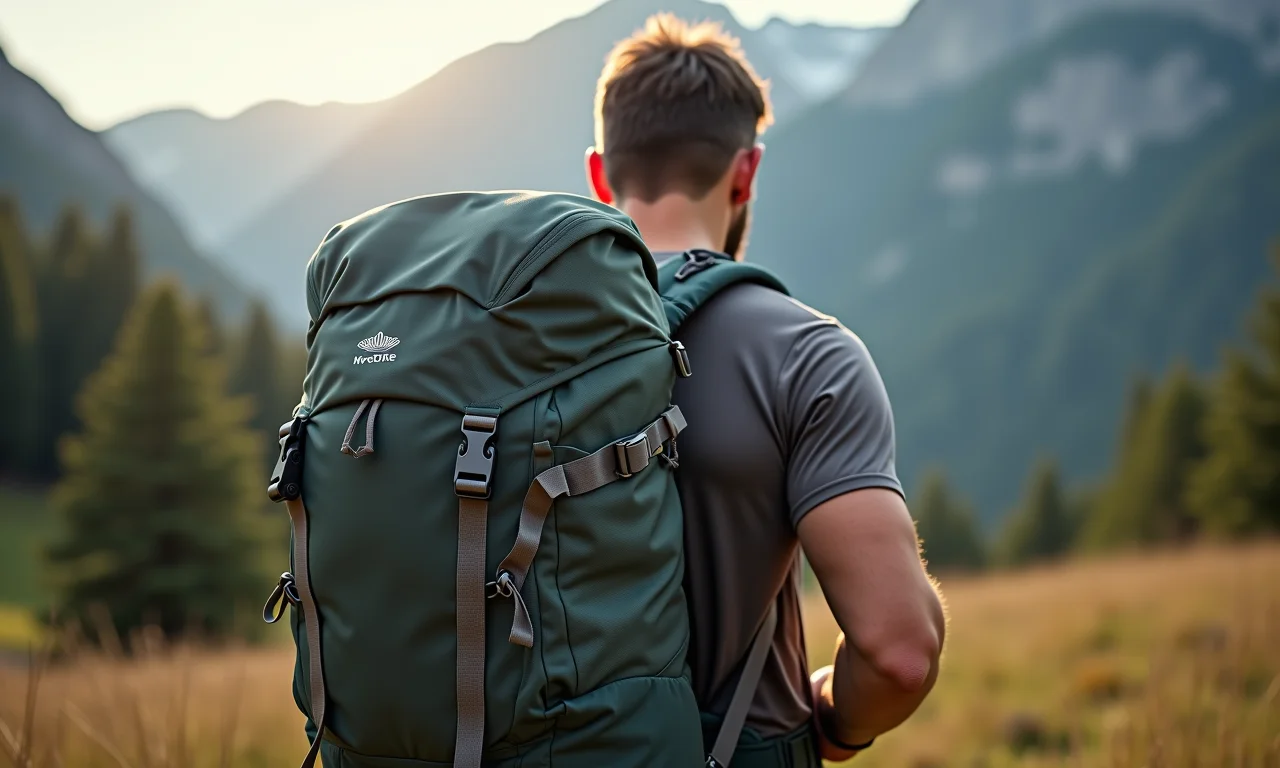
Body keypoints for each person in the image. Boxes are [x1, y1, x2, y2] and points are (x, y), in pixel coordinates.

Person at [585, 14, 948, 766]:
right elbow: (899, 651)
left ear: (599, 175)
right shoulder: (805, 354)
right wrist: (840, 725)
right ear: (745, 171)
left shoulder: (512, 346)